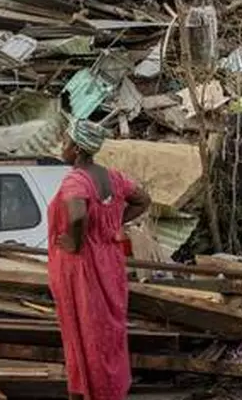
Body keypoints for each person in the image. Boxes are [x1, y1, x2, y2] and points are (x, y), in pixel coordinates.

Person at [48, 118, 151, 400]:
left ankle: (90, 391)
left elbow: (78, 214)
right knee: (108, 331)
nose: (63, 147)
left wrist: (75, 240)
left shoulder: (76, 179)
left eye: (66, 142)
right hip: (109, 263)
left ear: (78, 149)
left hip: (82, 267)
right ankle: (112, 386)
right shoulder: (114, 178)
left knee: (84, 331)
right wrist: (112, 222)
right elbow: (143, 200)